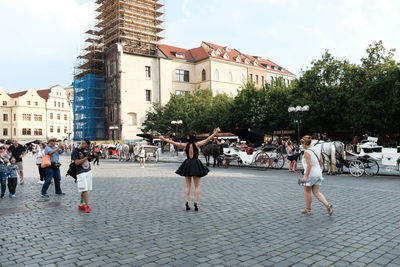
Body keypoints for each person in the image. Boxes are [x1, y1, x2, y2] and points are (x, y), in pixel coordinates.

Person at [159, 127, 221, 211]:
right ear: (194, 137)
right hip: (196, 164)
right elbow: (207, 139)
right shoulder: (197, 144)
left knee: (187, 186)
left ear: (188, 137)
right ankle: (195, 202)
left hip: (187, 164)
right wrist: (215, 132)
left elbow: (172, 142)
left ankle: (187, 202)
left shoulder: (184, 145)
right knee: (197, 186)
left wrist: (163, 138)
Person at [299, 135, 333, 216]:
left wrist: (306, 176)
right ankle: (327, 206)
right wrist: (319, 169)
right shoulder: (317, 149)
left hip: (310, 174)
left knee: (307, 191)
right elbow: (321, 161)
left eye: (301, 144)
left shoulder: (307, 152)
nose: (301, 146)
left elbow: (309, 165)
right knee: (316, 192)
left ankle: (308, 209)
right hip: (318, 172)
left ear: (304, 144)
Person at [71, 139, 93, 213]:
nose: (82, 145)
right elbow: (77, 162)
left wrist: (92, 156)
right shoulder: (75, 151)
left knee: (85, 188)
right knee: (84, 189)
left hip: (88, 171)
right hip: (80, 172)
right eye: (81, 143)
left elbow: (90, 160)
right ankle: (87, 206)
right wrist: (86, 157)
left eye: (84, 144)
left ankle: (81, 204)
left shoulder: (87, 150)